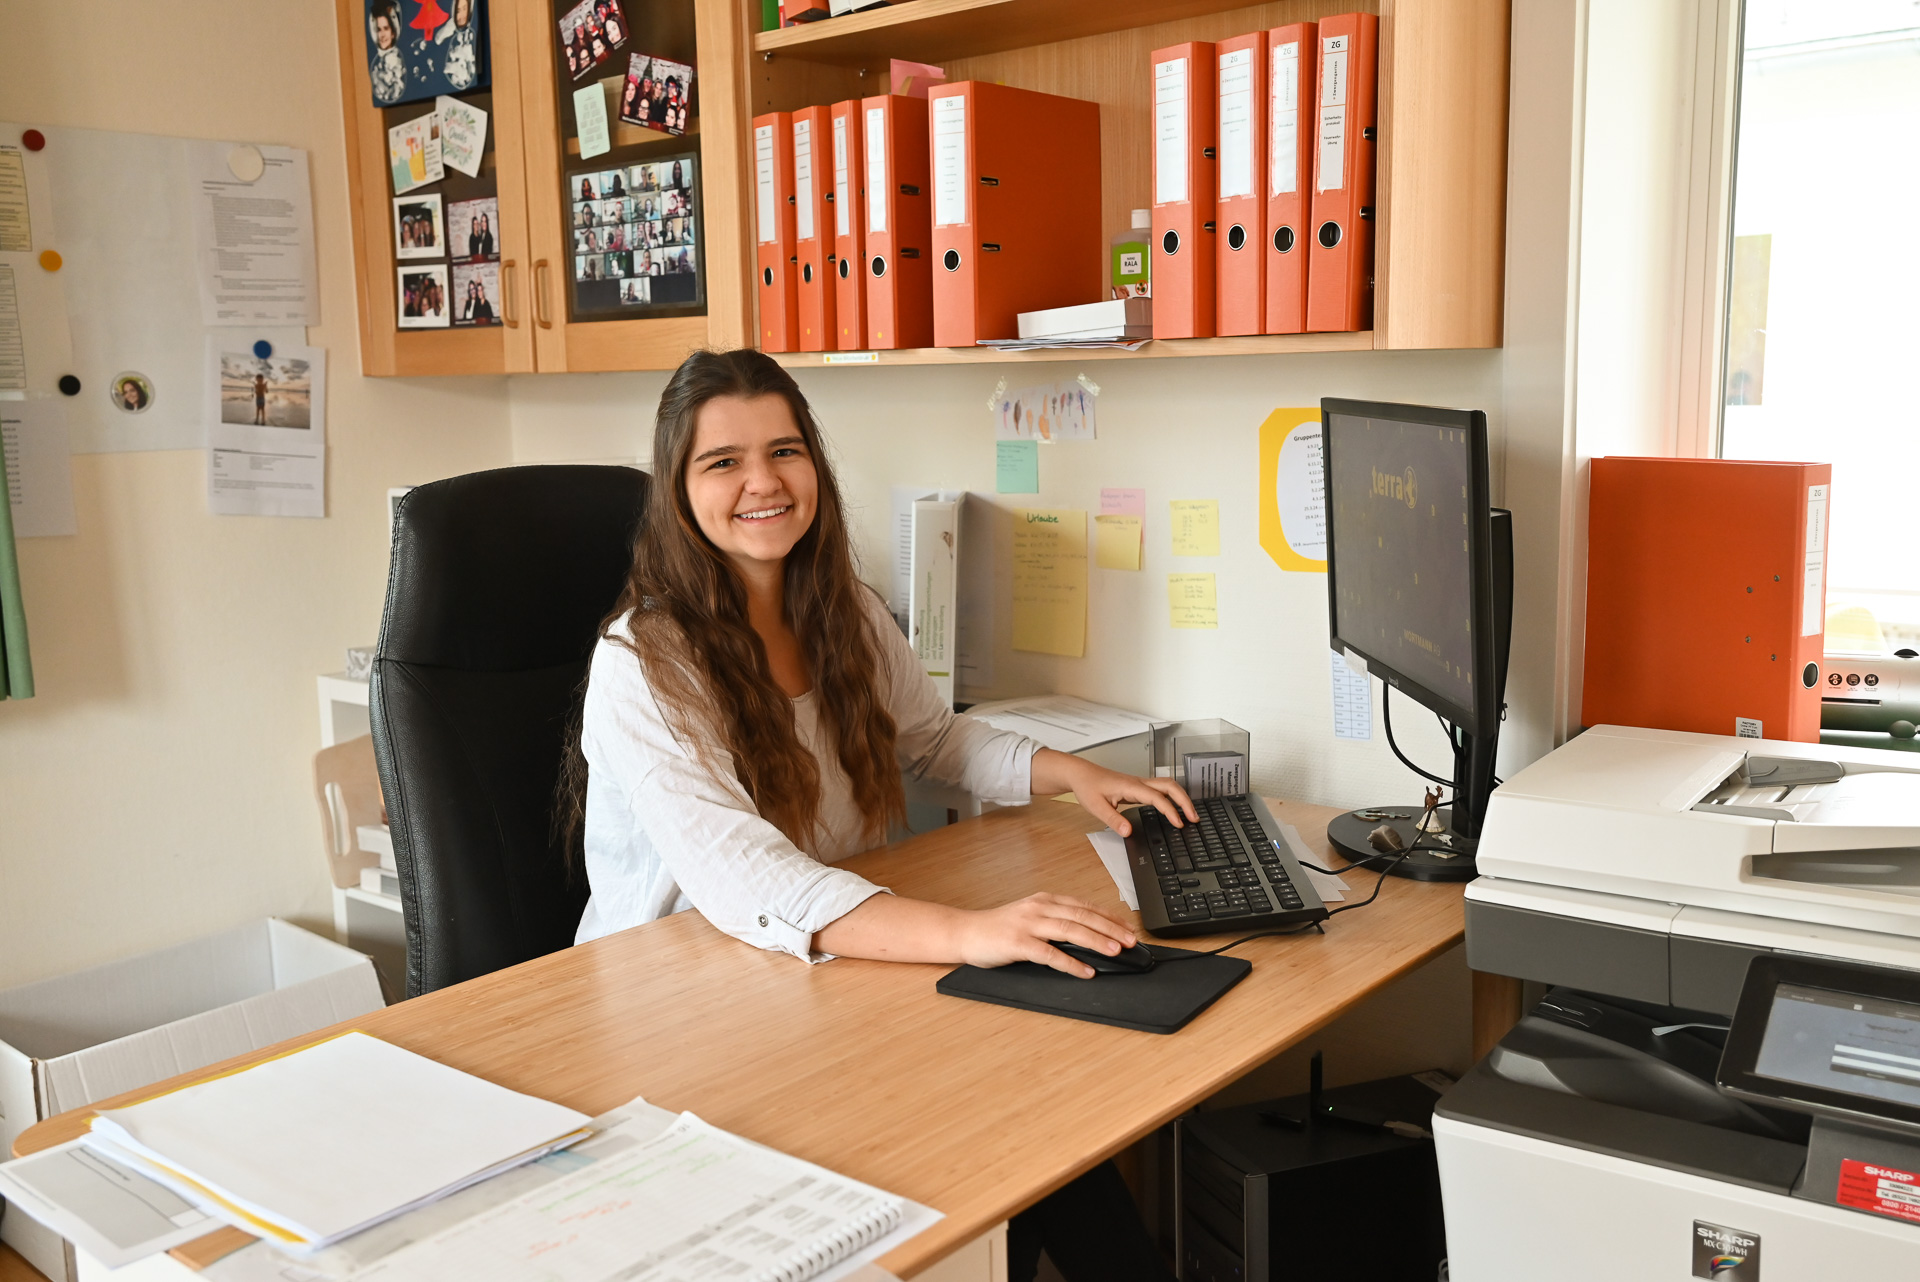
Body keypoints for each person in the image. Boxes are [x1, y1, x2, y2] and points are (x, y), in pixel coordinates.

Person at [562, 350, 1184, 1282]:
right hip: (686, 1010)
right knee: (991, 1133)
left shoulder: (841, 608)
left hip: (822, 972)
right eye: (723, 462)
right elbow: (747, 881)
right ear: (678, 492)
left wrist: (1071, 773)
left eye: (784, 451)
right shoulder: (644, 663)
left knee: (1038, 1115)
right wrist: (971, 932)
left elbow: (934, 740)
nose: (764, 482)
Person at [436, 0, 479, 91]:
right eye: (458, 11)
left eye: (464, 9)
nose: (462, 15)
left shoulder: (471, 35)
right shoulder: (452, 33)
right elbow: (438, 40)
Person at [369, 1, 405, 104]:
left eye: (386, 28)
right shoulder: (377, 61)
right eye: (378, 29)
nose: (382, 35)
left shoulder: (396, 60)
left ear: (393, 32)